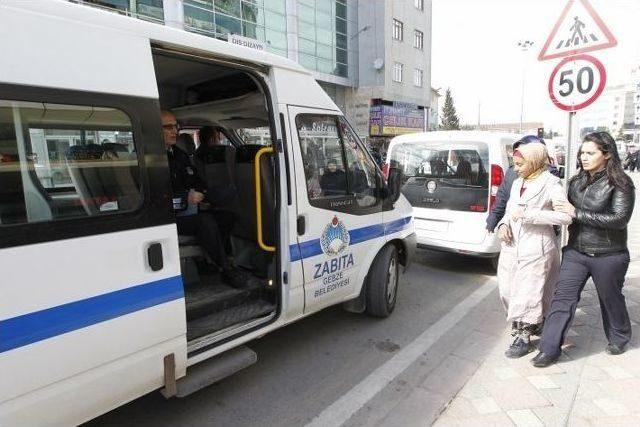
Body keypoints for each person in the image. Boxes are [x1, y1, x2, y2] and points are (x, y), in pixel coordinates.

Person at [532, 131, 635, 367]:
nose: (584, 157)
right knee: (562, 299)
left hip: (609, 254)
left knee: (611, 299)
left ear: (607, 154)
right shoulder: (576, 182)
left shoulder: (621, 182)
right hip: (576, 252)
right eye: (582, 152)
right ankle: (549, 348)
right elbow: (563, 213)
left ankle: (619, 337)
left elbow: (619, 218)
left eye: (591, 153)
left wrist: (576, 213)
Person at [496, 142, 573, 358]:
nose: (516, 168)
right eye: (514, 164)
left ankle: (523, 336)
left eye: (520, 164)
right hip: (512, 246)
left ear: (534, 162)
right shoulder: (517, 182)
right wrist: (503, 225)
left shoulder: (551, 183)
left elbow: (567, 216)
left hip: (536, 246)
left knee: (528, 293)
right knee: (507, 291)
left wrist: (532, 215)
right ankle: (528, 323)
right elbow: (510, 210)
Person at [162, 110, 241, 285]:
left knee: (227, 216)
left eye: (176, 126)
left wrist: (201, 193)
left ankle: (207, 260)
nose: (174, 131)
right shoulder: (150, 159)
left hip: (188, 212)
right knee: (205, 222)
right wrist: (184, 197)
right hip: (166, 219)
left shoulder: (180, 155)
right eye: (168, 127)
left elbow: (197, 179)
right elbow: (154, 197)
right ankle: (226, 269)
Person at [486, 135, 560, 232]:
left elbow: (559, 214)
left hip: (537, 235)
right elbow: (502, 203)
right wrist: (497, 223)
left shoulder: (548, 176)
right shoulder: (512, 174)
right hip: (513, 233)